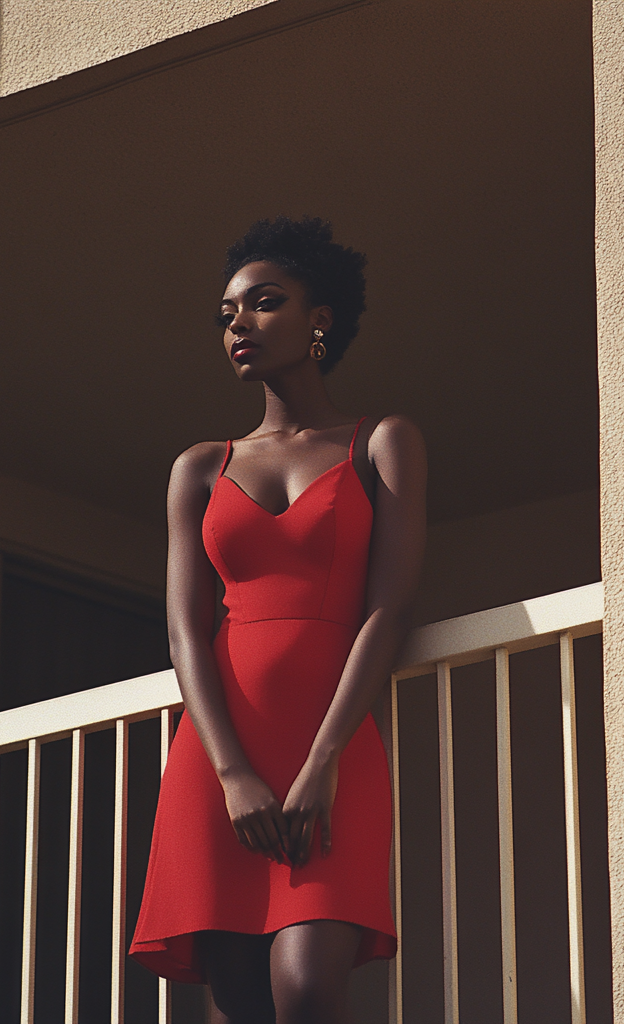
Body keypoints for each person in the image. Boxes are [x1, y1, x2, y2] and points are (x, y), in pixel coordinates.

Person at [130, 216, 427, 1024]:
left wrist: (323, 760)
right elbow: (187, 630)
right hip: (221, 759)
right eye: (227, 313)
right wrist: (232, 775)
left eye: (263, 304)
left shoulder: (381, 442)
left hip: (329, 748)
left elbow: (389, 609)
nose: (239, 325)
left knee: (304, 990)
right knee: (236, 1005)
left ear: (319, 318)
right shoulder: (200, 467)